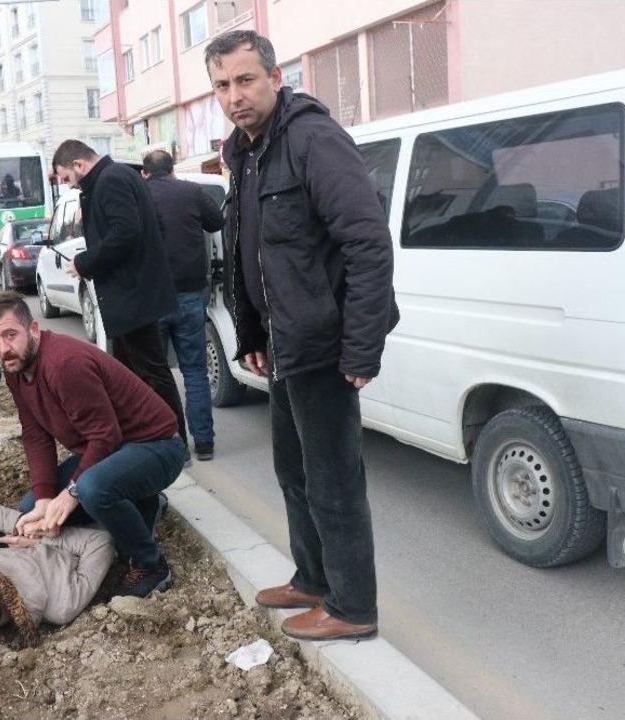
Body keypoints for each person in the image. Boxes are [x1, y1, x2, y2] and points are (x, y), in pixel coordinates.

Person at [206, 30, 398, 642]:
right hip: (285, 344)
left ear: (273, 77)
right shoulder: (246, 151)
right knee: (293, 471)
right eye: (222, 85)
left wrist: (363, 345)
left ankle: (352, 607)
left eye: (245, 80)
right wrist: (251, 332)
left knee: (333, 480)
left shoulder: (313, 140)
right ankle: (313, 579)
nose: (234, 96)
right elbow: (250, 253)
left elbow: (367, 244)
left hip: (323, 345)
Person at [0, 292, 186, 598]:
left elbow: (105, 435)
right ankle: (144, 504)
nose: (3, 349)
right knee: (30, 507)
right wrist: (46, 497)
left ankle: (150, 563)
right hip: (113, 452)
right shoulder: (16, 368)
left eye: (10, 335)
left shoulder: (63, 364)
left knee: (91, 490)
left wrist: (71, 492)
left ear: (33, 330)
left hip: (157, 446)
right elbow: (35, 434)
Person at [50, 139, 188, 452]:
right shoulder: (114, 178)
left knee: (151, 371)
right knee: (127, 373)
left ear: (80, 165)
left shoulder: (110, 180)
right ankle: (143, 434)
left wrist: (85, 262)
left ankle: (174, 438)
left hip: (132, 295)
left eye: (67, 178)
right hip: (131, 293)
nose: (68, 186)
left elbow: (126, 232)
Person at [0, 500, 115, 644]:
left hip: (61, 511)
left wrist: (27, 528)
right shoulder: (61, 605)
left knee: (29, 502)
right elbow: (100, 541)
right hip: (101, 521)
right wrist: (38, 540)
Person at [142, 149, 225, 462]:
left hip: (153, 297)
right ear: (172, 170)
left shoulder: (140, 194)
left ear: (145, 173)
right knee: (195, 371)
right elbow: (216, 221)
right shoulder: (190, 191)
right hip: (191, 294)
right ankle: (204, 442)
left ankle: (174, 446)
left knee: (158, 374)